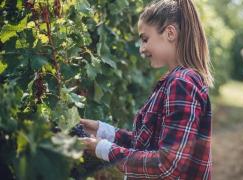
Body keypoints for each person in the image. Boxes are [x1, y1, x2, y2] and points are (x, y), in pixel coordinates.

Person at [80, 0, 213, 179]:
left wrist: (102, 149)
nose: (142, 49)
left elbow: (167, 164)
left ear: (170, 33)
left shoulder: (182, 83)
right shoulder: (172, 80)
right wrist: (102, 131)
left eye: (145, 39)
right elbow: (146, 143)